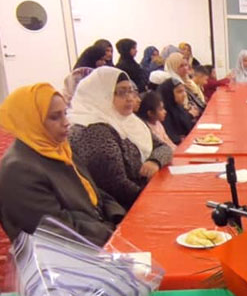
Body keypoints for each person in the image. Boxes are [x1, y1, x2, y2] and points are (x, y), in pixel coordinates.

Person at [0, 83, 124, 245]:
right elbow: (59, 231)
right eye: (55, 117)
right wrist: (113, 235)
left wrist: (118, 217)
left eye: (65, 113)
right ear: (31, 120)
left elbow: (95, 192)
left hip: (97, 234)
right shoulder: (18, 171)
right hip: (72, 254)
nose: (66, 122)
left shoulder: (56, 148)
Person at [68, 67, 172, 210]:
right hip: (127, 208)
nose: (130, 98)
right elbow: (117, 187)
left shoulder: (128, 120)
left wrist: (155, 161)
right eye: (121, 92)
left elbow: (163, 147)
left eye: (131, 91)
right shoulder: (93, 131)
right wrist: (156, 199)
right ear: (101, 95)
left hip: (145, 193)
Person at [158, 78, 195, 145]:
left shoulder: (178, 107)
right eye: (179, 92)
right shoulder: (164, 112)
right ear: (169, 93)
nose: (184, 94)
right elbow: (172, 137)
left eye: (184, 91)